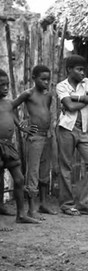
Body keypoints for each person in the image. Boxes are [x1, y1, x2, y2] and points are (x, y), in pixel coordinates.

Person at [56, 55, 88, 216]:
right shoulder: (61, 86)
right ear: (69, 70)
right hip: (66, 128)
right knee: (66, 167)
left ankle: (84, 202)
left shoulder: (86, 82)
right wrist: (86, 99)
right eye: (79, 69)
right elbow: (69, 106)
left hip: (82, 130)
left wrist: (76, 98)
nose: (82, 72)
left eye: (83, 69)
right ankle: (67, 204)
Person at [11, 65, 58, 219]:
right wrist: (21, 126)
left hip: (47, 136)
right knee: (33, 172)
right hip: (35, 137)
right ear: (34, 78)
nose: (46, 82)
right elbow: (10, 107)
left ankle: (43, 204)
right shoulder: (28, 94)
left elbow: (46, 113)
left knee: (44, 173)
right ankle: (32, 209)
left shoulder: (48, 96)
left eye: (48, 79)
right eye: (42, 79)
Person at [0, 68, 41, 230]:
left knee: (19, 179)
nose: (5, 88)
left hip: (9, 146)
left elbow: (12, 115)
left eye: (7, 85)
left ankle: (21, 215)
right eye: (1, 85)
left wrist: (21, 127)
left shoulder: (8, 103)